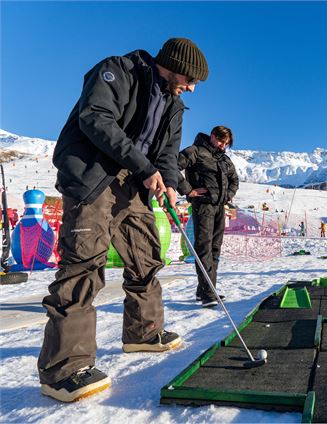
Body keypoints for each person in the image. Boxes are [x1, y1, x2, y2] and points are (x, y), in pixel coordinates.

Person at [38, 38, 209, 402]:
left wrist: (171, 184)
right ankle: (64, 369)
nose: (191, 88)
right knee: (83, 261)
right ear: (173, 64)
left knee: (145, 255)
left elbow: (166, 153)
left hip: (134, 184)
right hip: (94, 175)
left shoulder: (174, 105)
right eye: (190, 79)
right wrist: (145, 168)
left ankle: (143, 333)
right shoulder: (119, 70)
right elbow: (95, 118)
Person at [177, 126, 239, 308]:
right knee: (204, 247)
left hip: (220, 207)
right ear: (213, 136)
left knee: (215, 249)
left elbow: (234, 179)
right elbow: (172, 165)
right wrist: (188, 190)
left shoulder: (224, 159)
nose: (222, 146)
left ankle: (205, 289)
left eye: (226, 144)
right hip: (203, 206)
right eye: (221, 141)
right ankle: (208, 293)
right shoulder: (195, 151)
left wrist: (228, 195)